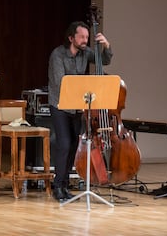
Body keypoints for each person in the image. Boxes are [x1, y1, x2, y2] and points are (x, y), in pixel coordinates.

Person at [48, 21, 113, 202]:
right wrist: (83, 86)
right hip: (60, 105)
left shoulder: (86, 52)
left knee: (73, 147)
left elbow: (104, 61)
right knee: (64, 144)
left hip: (77, 107)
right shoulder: (58, 55)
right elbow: (61, 83)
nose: (85, 40)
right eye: (81, 37)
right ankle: (57, 186)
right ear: (71, 38)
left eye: (87, 37)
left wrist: (106, 46)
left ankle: (65, 185)